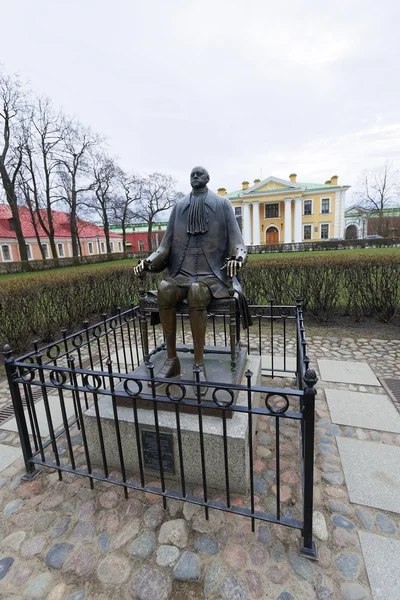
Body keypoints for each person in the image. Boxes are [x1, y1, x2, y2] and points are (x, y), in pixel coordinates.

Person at [134, 166, 249, 387]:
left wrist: (238, 258)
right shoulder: (179, 207)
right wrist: (147, 262)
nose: (195, 176)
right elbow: (163, 248)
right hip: (181, 274)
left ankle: (198, 365)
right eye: (192, 174)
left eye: (200, 173)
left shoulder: (222, 204)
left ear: (208, 178)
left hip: (212, 275)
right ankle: (171, 360)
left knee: (197, 291)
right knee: (165, 289)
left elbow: (237, 243)